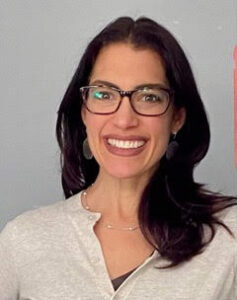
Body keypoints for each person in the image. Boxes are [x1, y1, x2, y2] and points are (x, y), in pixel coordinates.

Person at [0, 16, 236, 299]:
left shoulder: (228, 240)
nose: (124, 120)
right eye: (104, 94)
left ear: (177, 118)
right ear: (84, 111)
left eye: (149, 97)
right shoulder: (23, 241)